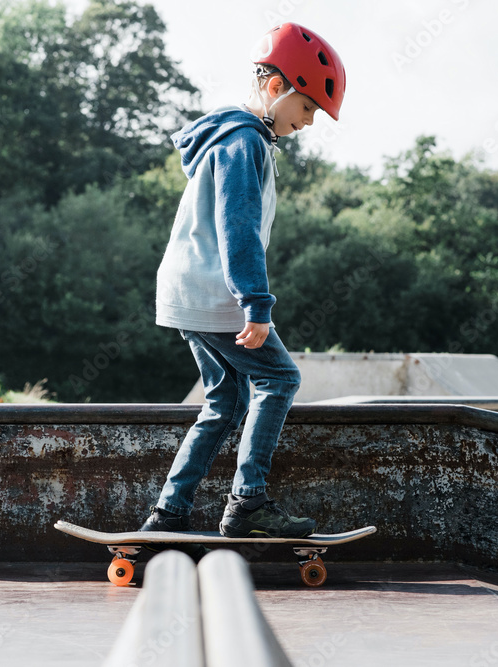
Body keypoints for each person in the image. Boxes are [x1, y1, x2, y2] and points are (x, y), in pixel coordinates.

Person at [141, 22, 347, 549]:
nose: (307, 124)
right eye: (307, 109)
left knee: (224, 403)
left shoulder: (228, 138)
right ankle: (248, 502)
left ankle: (169, 514)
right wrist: (257, 305)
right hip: (216, 291)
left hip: (186, 291)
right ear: (277, 88)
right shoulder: (244, 142)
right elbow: (238, 232)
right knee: (280, 380)